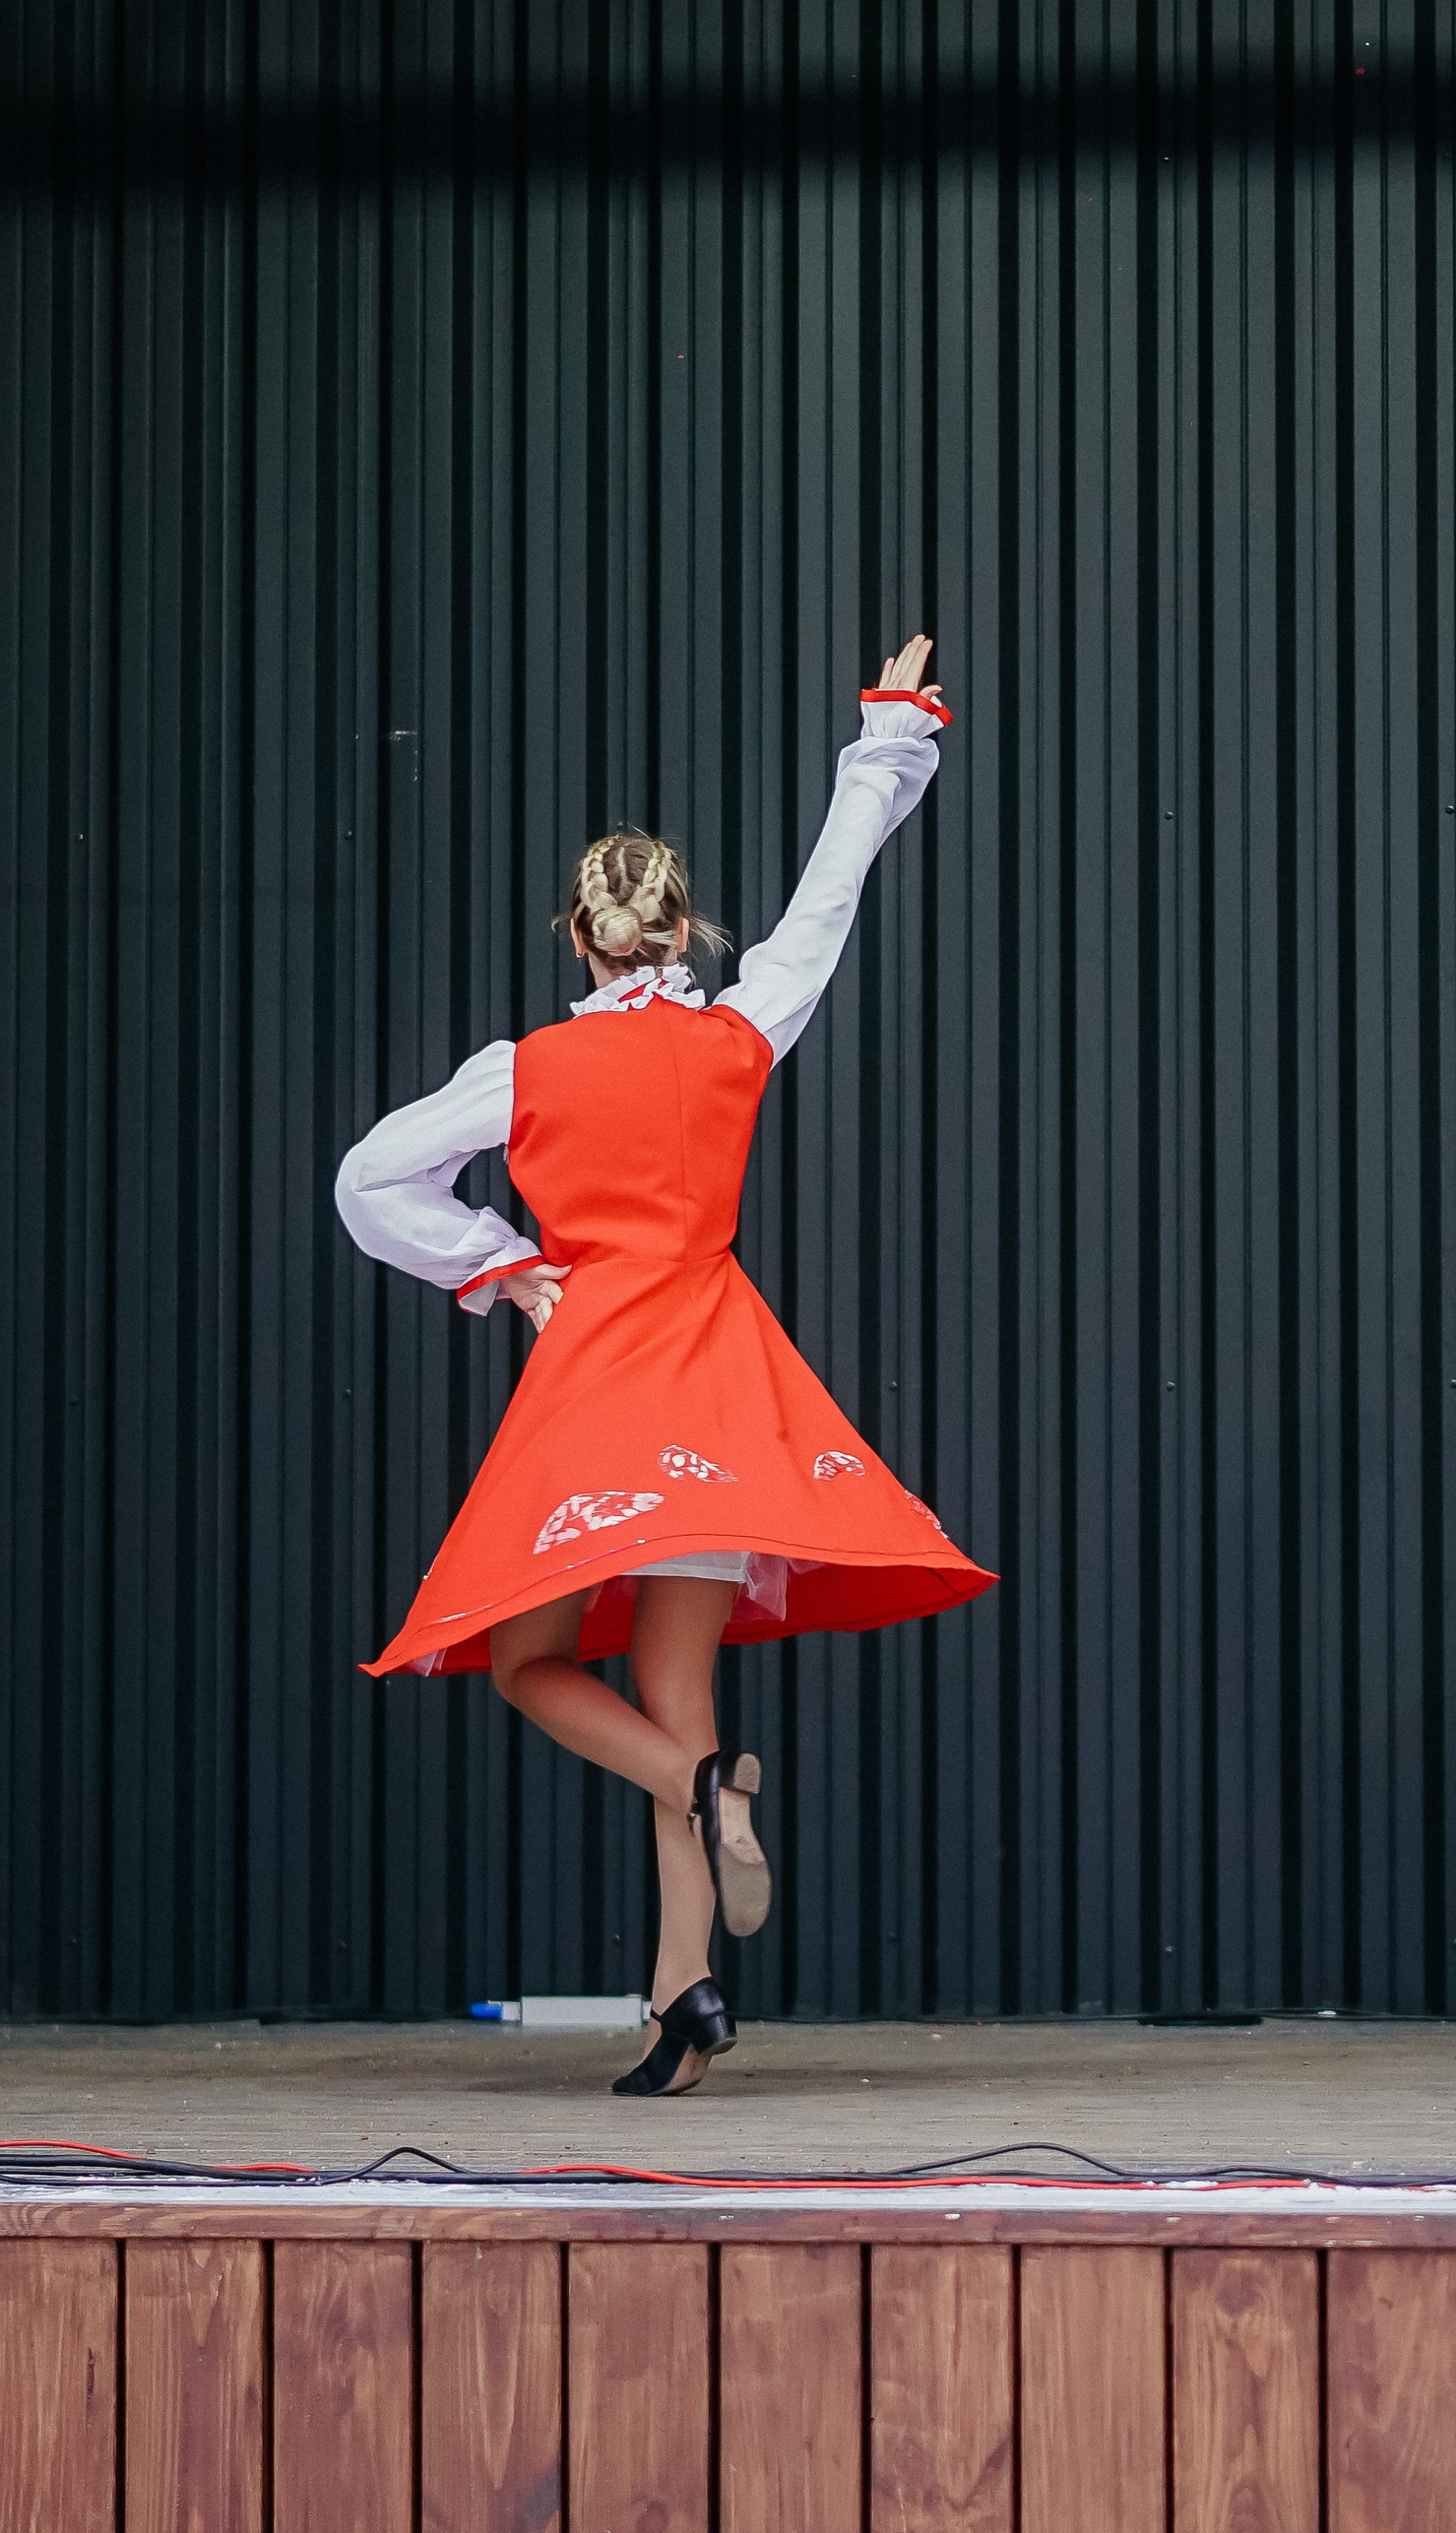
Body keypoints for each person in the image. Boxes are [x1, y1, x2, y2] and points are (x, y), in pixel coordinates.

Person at [336, 637, 992, 2092]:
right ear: (683, 934)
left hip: (597, 1383)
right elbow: (831, 899)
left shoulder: (525, 1071)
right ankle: (680, 2010)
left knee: (529, 1662)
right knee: (676, 1690)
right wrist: (885, 738)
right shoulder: (744, 1029)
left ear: (577, 940)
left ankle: (702, 1799)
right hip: (717, 1383)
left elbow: (371, 1179)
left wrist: (504, 1270)